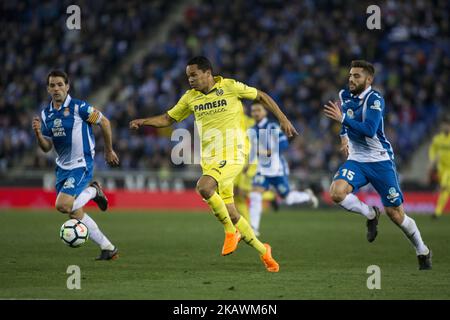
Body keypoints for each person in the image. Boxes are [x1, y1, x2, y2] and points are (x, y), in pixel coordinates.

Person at [130, 56, 298, 272]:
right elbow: (168, 119)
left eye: (194, 75)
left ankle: (230, 231)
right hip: (210, 159)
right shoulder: (190, 98)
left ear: (207, 73)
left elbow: (262, 96)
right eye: (188, 76)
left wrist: (283, 118)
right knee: (233, 212)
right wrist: (142, 121)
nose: (190, 79)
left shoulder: (230, 86)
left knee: (204, 186)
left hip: (235, 151)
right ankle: (264, 251)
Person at [324, 60, 432, 270]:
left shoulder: (375, 99)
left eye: (357, 76)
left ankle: (422, 250)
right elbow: (344, 123)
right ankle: (370, 213)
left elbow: (370, 129)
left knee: (396, 214)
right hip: (357, 160)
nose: (351, 79)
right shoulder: (344, 95)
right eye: (350, 75)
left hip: (380, 160)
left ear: (369, 79)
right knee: (336, 193)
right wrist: (343, 136)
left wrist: (343, 119)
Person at [32, 70, 120, 260]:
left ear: (67, 86)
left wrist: (108, 150)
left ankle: (94, 191)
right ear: (48, 89)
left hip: (82, 163)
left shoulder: (79, 107)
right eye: (52, 85)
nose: (56, 89)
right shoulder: (46, 114)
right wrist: (39, 135)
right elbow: (47, 147)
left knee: (63, 206)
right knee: (75, 212)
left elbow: (104, 122)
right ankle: (108, 248)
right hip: (62, 168)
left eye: (60, 85)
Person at [248, 103, 318, 236]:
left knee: (288, 198)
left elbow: (284, 143)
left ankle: (307, 196)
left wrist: (269, 151)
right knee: (255, 194)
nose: (256, 113)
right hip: (262, 169)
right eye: (253, 111)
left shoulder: (272, 126)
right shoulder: (252, 129)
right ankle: (253, 228)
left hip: (277, 169)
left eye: (258, 110)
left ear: (265, 112)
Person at [429, 116, 450, 218]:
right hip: (441, 168)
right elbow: (432, 150)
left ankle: (437, 211)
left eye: (447, 125)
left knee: (444, 186)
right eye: (444, 125)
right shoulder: (438, 139)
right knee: (445, 190)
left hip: (449, 170)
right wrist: (433, 160)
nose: (446, 127)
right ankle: (438, 211)